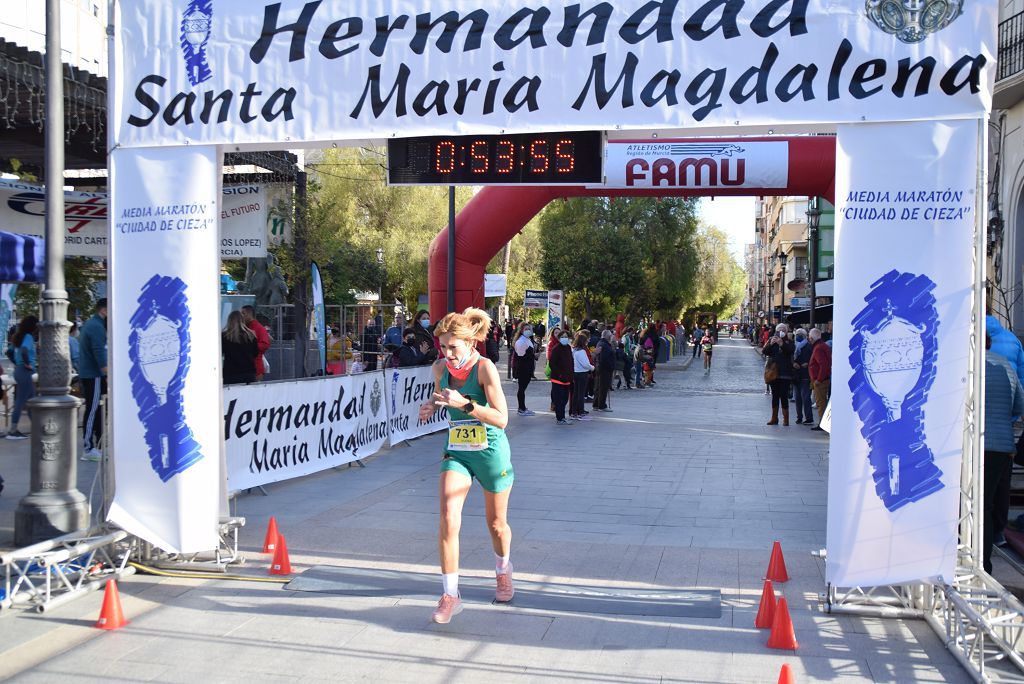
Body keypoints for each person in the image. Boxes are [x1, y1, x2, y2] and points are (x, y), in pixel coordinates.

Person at [417, 307, 514, 624]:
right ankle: (450, 595)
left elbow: (502, 419)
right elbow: (441, 395)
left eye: (453, 347)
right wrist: (432, 405)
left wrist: (467, 405)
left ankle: (502, 569)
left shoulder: (485, 369)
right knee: (447, 514)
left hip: (490, 452)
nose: (448, 354)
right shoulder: (438, 368)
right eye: (443, 347)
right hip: (457, 451)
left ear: (470, 343)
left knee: (497, 525)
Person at [984, 334, 1024, 573]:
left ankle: (978, 561)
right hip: (1003, 444)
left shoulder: (965, 366)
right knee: (990, 503)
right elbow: (1019, 405)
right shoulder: (1006, 365)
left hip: (975, 444)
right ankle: (986, 559)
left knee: (973, 507)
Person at [78, 300, 108, 456]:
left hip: (91, 374)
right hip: (94, 374)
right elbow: (100, 353)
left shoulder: (91, 324)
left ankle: (97, 444)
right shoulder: (97, 327)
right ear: (104, 310)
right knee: (92, 410)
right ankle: (88, 448)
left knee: (96, 410)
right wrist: (107, 373)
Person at [8, 315, 38, 440]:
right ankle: (13, 431)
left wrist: (17, 363)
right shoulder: (28, 337)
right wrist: (26, 363)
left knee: (32, 400)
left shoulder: (18, 337)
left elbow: (9, 352)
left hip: (20, 371)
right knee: (21, 401)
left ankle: (37, 427)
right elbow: (25, 350)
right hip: (25, 371)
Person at [763, 324, 795, 426]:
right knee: (775, 396)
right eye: (779, 330)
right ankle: (774, 418)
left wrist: (782, 344)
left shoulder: (789, 341)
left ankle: (786, 419)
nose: (781, 332)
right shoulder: (772, 340)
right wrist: (770, 344)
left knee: (784, 396)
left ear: (786, 331)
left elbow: (790, 350)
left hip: (785, 373)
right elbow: (765, 351)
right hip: (774, 373)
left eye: (783, 330)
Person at [222, 311, 258, 385]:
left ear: (229, 321)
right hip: (249, 373)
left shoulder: (224, 336)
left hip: (230, 373)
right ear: (242, 320)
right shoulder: (251, 335)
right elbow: (255, 353)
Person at [808, 328, 832, 430]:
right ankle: (823, 422)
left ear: (812, 338)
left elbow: (823, 365)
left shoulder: (818, 348)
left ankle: (822, 423)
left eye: (809, 337)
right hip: (823, 379)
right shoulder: (823, 345)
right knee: (821, 402)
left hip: (820, 381)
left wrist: (818, 379)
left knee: (820, 402)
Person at [549, 328, 574, 425]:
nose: (564, 338)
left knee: (564, 399)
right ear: (559, 338)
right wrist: (560, 374)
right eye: (562, 337)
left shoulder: (568, 347)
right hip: (558, 379)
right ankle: (560, 418)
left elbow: (570, 362)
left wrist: (571, 375)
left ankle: (562, 417)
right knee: (559, 399)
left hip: (567, 379)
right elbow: (552, 364)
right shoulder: (556, 349)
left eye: (566, 337)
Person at [241, 305, 272, 381]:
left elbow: (265, 345)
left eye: (243, 313)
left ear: (249, 314)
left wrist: (248, 347)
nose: (241, 316)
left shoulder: (258, 328)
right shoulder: (248, 327)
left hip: (255, 368)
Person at [511, 322, 537, 416]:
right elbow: (521, 357)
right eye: (525, 329)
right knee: (521, 389)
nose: (528, 331)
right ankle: (521, 408)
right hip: (523, 369)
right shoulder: (521, 341)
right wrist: (532, 355)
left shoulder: (527, 339)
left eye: (529, 329)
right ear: (521, 331)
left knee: (523, 389)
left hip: (528, 368)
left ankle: (523, 407)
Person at [792, 328, 814, 424]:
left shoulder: (809, 346)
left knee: (805, 398)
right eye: (797, 334)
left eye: (800, 334)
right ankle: (799, 417)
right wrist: (793, 363)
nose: (798, 336)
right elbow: (790, 358)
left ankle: (809, 418)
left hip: (805, 375)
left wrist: (808, 363)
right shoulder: (793, 346)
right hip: (796, 375)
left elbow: (813, 359)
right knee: (797, 398)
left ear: (805, 336)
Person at [570, 331, 594, 421]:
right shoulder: (582, 351)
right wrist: (593, 368)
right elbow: (586, 364)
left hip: (576, 373)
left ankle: (574, 412)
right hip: (582, 373)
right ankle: (580, 412)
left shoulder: (574, 350)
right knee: (581, 394)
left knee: (576, 393)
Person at [593, 330, 615, 411]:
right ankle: (602, 405)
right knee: (603, 387)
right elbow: (604, 358)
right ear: (607, 336)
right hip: (604, 369)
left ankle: (596, 404)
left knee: (598, 387)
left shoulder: (600, 343)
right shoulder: (604, 345)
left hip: (600, 368)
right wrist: (610, 366)